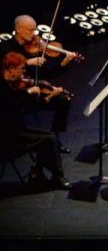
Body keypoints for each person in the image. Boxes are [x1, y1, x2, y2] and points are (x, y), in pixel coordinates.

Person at [1, 52, 70, 188]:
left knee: (47, 138)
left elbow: (26, 105)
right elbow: (10, 108)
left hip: (18, 129)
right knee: (49, 139)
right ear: (10, 69)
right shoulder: (3, 87)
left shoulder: (13, 83)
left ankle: (38, 172)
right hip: (7, 137)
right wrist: (28, 92)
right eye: (21, 69)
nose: (24, 72)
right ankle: (56, 177)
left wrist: (49, 96)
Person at [0, 14, 83, 77]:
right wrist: (27, 63)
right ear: (19, 29)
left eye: (34, 30)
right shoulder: (4, 47)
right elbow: (4, 73)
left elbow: (46, 76)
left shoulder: (35, 51)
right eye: (30, 30)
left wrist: (64, 62)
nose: (34, 34)